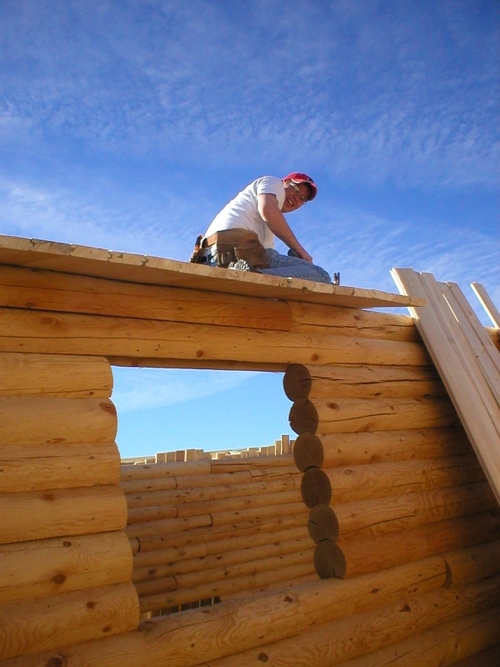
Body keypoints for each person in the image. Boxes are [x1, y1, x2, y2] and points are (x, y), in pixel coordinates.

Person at [195, 173, 332, 284]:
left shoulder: (266, 228)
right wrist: (302, 253)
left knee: (298, 273)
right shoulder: (273, 182)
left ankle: (249, 275)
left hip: (216, 257)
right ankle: (251, 276)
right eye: (295, 189)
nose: (297, 198)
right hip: (231, 248)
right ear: (284, 182)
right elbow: (267, 210)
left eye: (302, 199)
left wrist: (298, 264)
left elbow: (268, 256)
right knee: (321, 276)